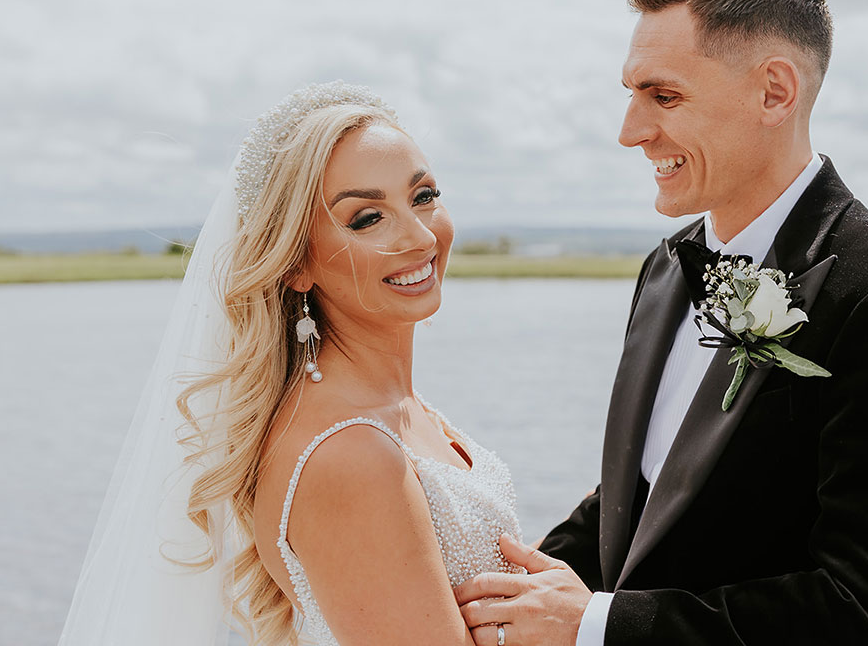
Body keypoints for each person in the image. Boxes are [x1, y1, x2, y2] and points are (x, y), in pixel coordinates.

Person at [455, 0, 868, 645]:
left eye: (665, 95)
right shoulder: (666, 269)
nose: (631, 132)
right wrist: (495, 597)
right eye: (631, 93)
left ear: (775, 91)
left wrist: (596, 625)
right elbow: (645, 503)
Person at [59, 82, 523, 646]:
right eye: (367, 218)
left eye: (423, 195)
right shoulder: (351, 453)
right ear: (296, 265)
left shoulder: (390, 411)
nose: (421, 235)